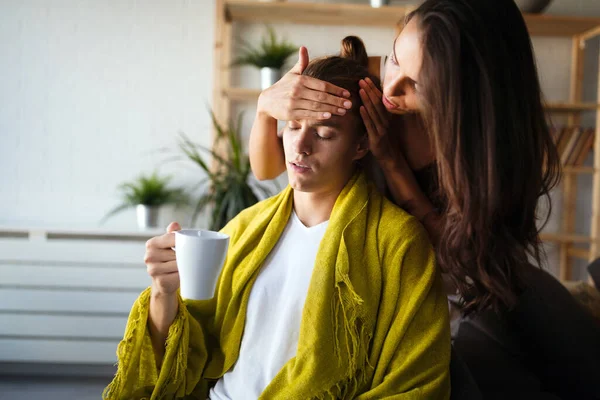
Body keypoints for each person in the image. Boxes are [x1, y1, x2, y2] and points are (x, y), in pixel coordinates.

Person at [248, 0, 600, 399]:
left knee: (555, 331)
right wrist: (266, 108)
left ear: (468, 98)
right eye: (396, 58)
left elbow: (464, 260)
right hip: (402, 285)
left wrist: (392, 162)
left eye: (417, 85)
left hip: (469, 273)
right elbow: (268, 167)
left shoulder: (493, 151)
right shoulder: (364, 86)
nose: (391, 89)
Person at [103, 37, 451, 400]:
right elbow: (185, 356)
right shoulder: (244, 230)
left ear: (361, 146)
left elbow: (417, 383)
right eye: (294, 125)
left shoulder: (398, 243)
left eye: (324, 133)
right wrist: (164, 291)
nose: (300, 146)